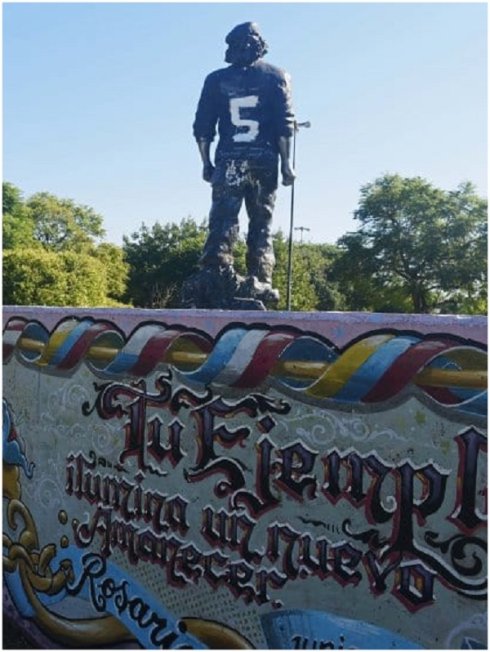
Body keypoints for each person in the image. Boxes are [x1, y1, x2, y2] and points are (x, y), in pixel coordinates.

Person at [192, 21, 296, 303]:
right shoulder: (278, 76)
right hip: (264, 158)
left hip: (230, 158)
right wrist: (287, 164)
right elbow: (285, 125)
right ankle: (261, 279)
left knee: (223, 219)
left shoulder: (216, 80)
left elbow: (203, 126)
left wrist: (205, 162)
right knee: (261, 222)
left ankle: (215, 271)